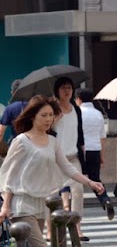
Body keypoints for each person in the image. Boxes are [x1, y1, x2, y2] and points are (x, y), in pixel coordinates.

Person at [0, 95, 104, 247]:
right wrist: (6, 205)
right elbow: (10, 174)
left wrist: (90, 182)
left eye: (51, 115)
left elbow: (67, 167)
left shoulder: (53, 142)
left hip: (41, 204)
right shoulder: (22, 141)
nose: (48, 119)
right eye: (44, 115)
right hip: (21, 204)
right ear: (32, 117)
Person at [49, 76, 88, 241]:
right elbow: (46, 129)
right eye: (63, 88)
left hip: (73, 156)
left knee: (78, 191)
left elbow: (79, 131)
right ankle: (50, 230)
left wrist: (83, 148)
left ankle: (77, 228)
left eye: (69, 88)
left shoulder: (76, 109)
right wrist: (53, 120)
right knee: (51, 195)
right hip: (55, 157)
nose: (67, 91)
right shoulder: (52, 108)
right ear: (57, 90)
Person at [75, 88, 115, 220]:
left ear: (78, 99)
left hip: (80, 150)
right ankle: (105, 200)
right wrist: (101, 155)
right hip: (95, 150)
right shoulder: (98, 114)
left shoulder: (77, 113)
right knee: (95, 178)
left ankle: (69, 207)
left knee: (75, 180)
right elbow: (102, 136)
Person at [0, 79, 28, 145]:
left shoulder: (10, 108)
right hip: (35, 144)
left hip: (17, 143)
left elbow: (1, 132)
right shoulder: (35, 105)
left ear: (12, 93)